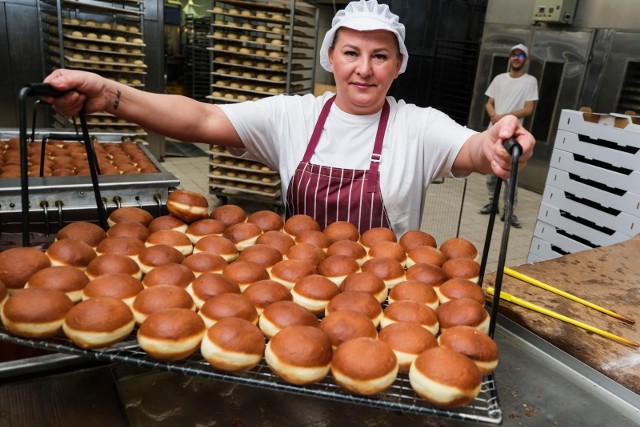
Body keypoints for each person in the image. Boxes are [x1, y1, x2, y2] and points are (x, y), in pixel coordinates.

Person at [43, 0, 534, 237]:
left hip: (388, 300)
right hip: (290, 287)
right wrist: (109, 93)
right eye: (351, 52)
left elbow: (469, 149)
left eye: (380, 56)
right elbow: (199, 118)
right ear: (330, 57)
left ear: (399, 65)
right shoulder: (291, 115)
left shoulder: (418, 126)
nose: (364, 69)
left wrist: (494, 141)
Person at [478, 43, 538, 228]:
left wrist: (504, 117)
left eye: (521, 56)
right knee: (491, 170)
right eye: (514, 55)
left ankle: (509, 212)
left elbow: (529, 109)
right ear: (509, 58)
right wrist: (493, 115)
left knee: (510, 174)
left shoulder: (530, 81)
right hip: (494, 131)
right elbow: (489, 102)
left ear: (525, 60)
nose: (516, 59)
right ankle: (492, 203)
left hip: (513, 136)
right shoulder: (499, 79)